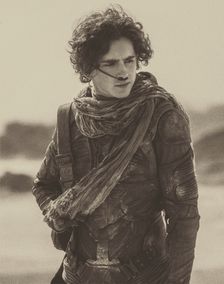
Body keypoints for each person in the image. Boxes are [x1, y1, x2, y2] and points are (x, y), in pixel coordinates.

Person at [32, 6, 200, 284]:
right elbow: (43, 184)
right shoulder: (69, 118)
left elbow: (184, 215)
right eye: (110, 63)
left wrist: (177, 281)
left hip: (146, 275)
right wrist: (61, 211)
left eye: (130, 61)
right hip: (77, 274)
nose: (123, 72)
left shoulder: (161, 115)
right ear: (89, 69)